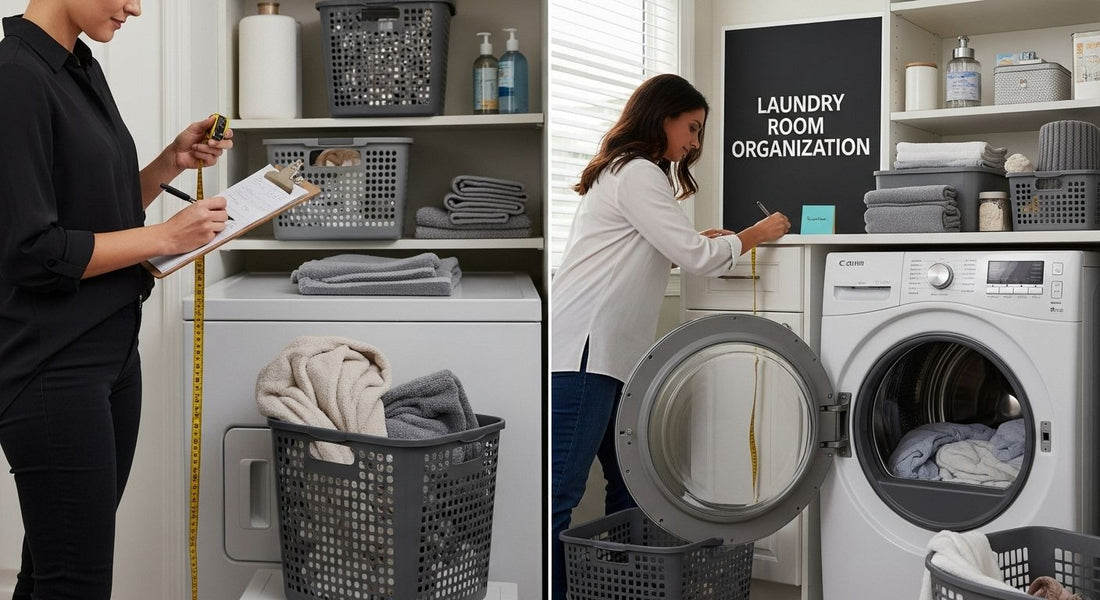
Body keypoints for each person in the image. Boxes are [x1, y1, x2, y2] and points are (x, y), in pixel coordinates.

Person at [0, 1, 233, 597]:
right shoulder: (16, 78)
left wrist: (167, 163)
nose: (134, 6)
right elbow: (32, 250)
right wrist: (166, 236)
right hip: (54, 367)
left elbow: (95, 212)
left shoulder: (79, 66)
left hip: (110, 350)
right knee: (75, 582)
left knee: (53, 572)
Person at [550, 73, 790, 599]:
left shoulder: (627, 173)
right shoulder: (637, 172)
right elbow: (698, 261)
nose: (695, 143)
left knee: (630, 483)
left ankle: (620, 589)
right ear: (661, 115)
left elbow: (655, 244)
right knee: (560, 493)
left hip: (610, 355)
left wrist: (689, 238)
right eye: (692, 127)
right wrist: (756, 234)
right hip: (586, 352)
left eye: (700, 132)